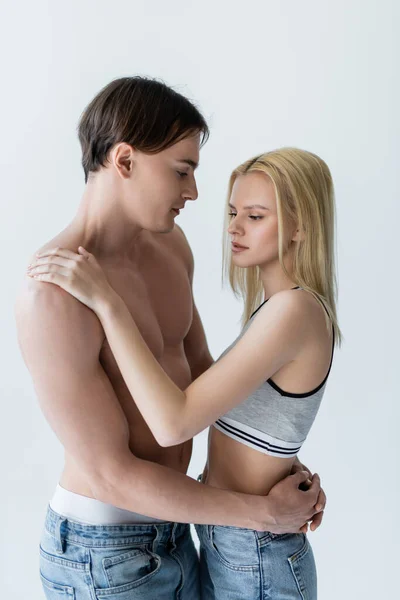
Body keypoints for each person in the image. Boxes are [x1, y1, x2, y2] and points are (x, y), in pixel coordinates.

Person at [16, 76, 325, 600]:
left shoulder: (171, 247)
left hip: (183, 531)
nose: (194, 192)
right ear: (125, 160)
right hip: (103, 555)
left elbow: (203, 375)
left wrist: (273, 470)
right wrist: (263, 513)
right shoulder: (52, 295)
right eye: (182, 171)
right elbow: (111, 473)